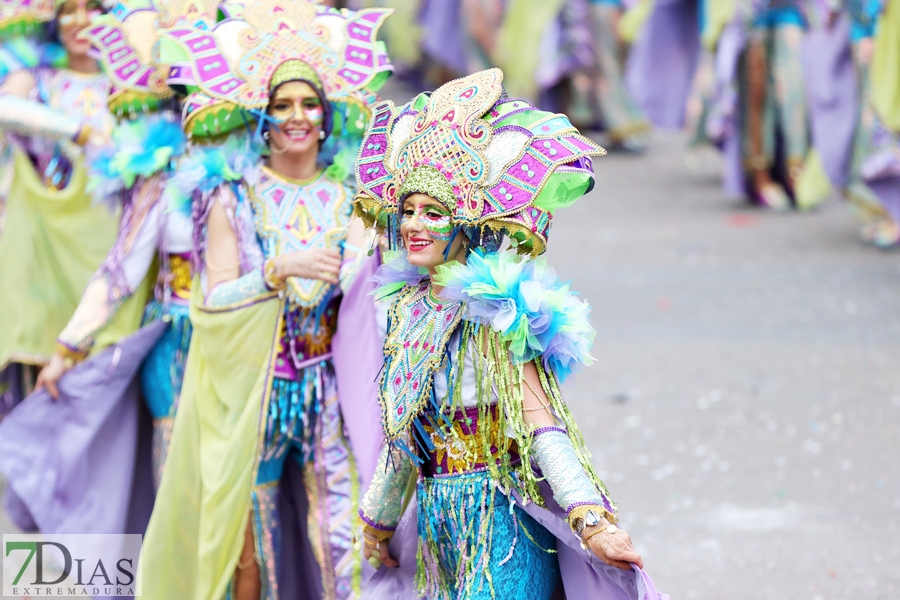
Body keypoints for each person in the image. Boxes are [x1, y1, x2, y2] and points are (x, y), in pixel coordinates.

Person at [353, 68, 665, 600]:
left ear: (469, 222)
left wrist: (591, 522)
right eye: (407, 211)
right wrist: (377, 521)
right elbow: (405, 435)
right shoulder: (405, 309)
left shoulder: (493, 308)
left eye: (434, 212)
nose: (414, 225)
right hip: (437, 525)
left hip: (498, 521)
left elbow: (542, 423)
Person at [137, 3, 393, 599]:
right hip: (253, 390)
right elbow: (216, 297)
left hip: (327, 390)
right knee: (246, 546)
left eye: (308, 104)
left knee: (344, 535)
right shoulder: (232, 195)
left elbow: (368, 289)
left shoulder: (354, 195)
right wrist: (280, 269)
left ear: (327, 116)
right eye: (282, 105)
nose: (296, 117)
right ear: (262, 116)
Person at [0, 0, 116, 419]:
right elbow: (4, 110)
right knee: (39, 385)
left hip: (107, 254)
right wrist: (78, 132)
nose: (81, 20)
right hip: (45, 258)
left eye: (95, 7)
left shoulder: (128, 89)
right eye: (69, 9)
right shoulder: (36, 80)